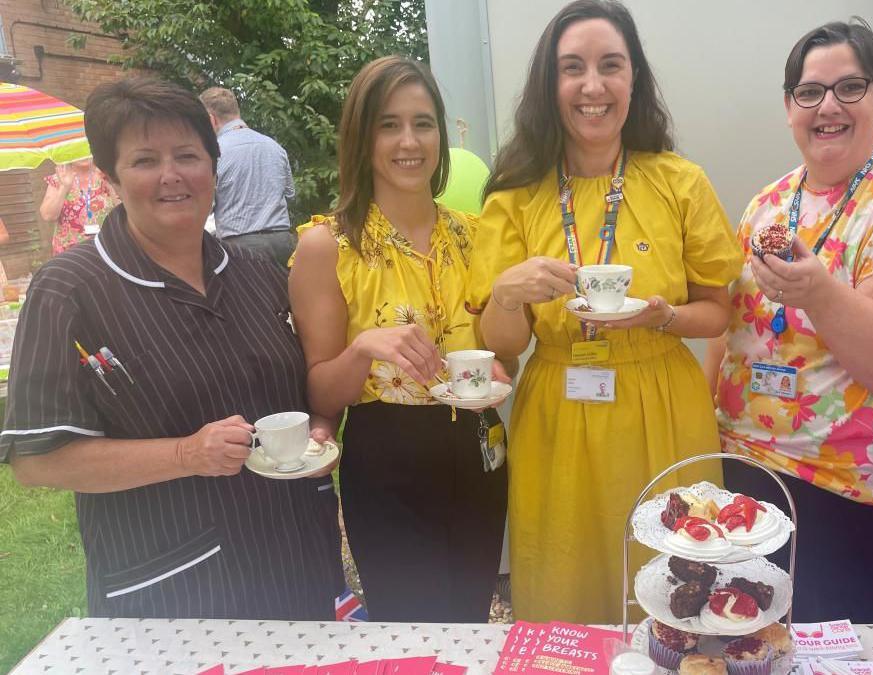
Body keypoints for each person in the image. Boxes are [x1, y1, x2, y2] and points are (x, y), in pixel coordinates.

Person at [1, 77, 344, 619]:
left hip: (293, 558)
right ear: (111, 177)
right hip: (174, 588)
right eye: (144, 160)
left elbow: (297, 394)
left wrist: (318, 429)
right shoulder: (70, 290)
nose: (171, 175)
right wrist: (185, 454)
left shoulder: (258, 274)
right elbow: (36, 460)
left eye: (188, 155)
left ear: (212, 168)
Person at [467, 0, 742, 623]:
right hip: (558, 410)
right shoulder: (515, 197)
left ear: (633, 80)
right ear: (551, 84)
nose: (593, 86)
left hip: (663, 404)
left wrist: (660, 318)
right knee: (563, 575)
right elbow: (503, 345)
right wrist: (508, 294)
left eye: (610, 66)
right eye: (573, 68)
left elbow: (717, 313)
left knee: (674, 581)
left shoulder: (680, 182)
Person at [704, 18, 873, 623]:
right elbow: (736, 329)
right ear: (788, 107)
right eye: (810, 92)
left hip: (858, 492)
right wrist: (705, 430)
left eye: (850, 88)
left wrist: (825, 296)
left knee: (844, 655)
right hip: (750, 470)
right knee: (747, 639)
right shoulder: (769, 203)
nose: (828, 106)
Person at [289, 56, 508, 622]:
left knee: (469, 622)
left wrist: (500, 367)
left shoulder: (475, 236)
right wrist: (364, 348)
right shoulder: (328, 246)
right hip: (388, 457)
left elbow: (499, 353)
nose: (409, 141)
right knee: (408, 630)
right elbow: (320, 394)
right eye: (388, 124)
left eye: (423, 122)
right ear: (361, 138)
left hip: (481, 445)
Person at [199, 87, 297, 267]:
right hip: (283, 242)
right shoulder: (274, 147)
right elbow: (290, 193)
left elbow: (207, 205)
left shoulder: (215, 153)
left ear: (210, 119)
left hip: (240, 248)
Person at [38, 156, 120, 255]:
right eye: (79, 149)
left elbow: (125, 211)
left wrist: (110, 183)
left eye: (87, 148)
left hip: (107, 248)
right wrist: (64, 188)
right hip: (71, 253)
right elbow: (48, 215)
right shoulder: (59, 179)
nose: (84, 154)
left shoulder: (105, 176)